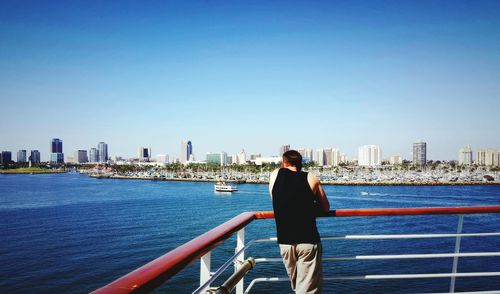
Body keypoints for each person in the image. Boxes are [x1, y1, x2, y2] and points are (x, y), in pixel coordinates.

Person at [269, 150, 330, 294]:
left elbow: (277, 199)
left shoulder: (274, 175)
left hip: (285, 242)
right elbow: (325, 207)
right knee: (307, 288)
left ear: (284, 162)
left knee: (297, 285)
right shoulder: (311, 177)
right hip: (308, 240)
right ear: (300, 163)